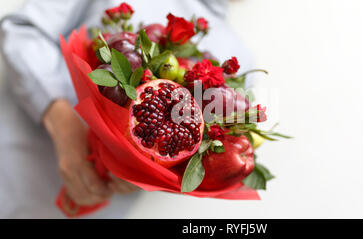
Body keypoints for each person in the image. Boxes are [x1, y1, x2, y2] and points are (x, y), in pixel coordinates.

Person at [0, 0, 253, 218]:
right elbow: (21, 32)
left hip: (103, 206)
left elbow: (192, 159)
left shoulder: (240, 57)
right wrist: (65, 125)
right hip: (13, 174)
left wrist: (141, 177)